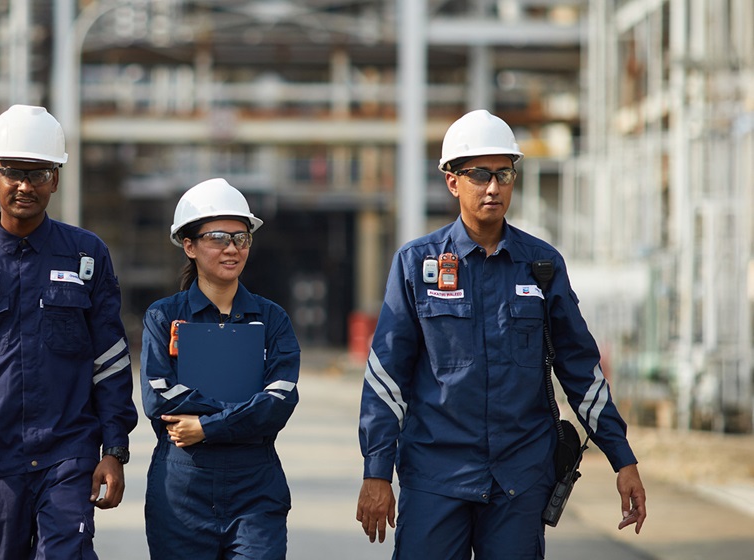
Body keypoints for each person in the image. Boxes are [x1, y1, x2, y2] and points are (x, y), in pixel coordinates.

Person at [355, 109, 647, 558]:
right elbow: (386, 377)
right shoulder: (418, 265)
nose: (493, 187)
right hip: (437, 477)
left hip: (519, 479)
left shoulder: (542, 266)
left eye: (504, 173)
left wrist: (622, 457)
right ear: (452, 181)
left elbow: (580, 370)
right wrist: (376, 472)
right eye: (479, 174)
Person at [0, 104, 138, 559]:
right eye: (14, 172)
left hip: (68, 454)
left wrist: (114, 449)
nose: (25, 185)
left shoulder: (86, 256)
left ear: (55, 179)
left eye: (38, 174)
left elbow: (111, 360)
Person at [139, 178, 301, 559]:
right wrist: (245, 411)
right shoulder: (163, 317)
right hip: (182, 494)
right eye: (218, 237)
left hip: (255, 491)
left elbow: (279, 400)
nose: (232, 248)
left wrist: (206, 426)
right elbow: (159, 397)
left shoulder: (271, 319)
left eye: (241, 238)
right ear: (189, 246)